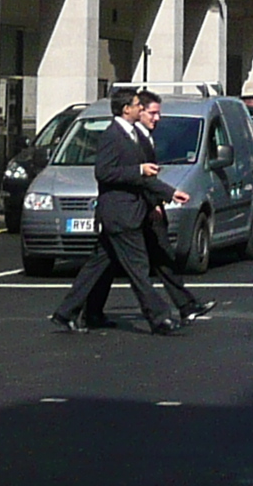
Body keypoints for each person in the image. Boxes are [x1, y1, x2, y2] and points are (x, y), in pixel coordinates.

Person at [56, 88, 193, 335]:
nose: (141, 109)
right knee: (138, 268)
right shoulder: (112, 135)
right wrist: (138, 170)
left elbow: (143, 176)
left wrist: (169, 193)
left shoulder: (131, 135)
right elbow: (104, 172)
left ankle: (66, 312)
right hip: (120, 214)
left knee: (96, 267)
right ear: (125, 109)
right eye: (138, 105)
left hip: (129, 213)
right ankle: (159, 317)